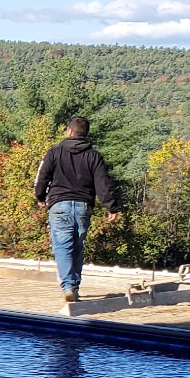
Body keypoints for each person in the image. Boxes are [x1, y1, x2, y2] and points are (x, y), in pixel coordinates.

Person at [32, 117, 118, 302]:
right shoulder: (94, 156)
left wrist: (40, 197)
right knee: (78, 247)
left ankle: (68, 286)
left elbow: (42, 177)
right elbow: (103, 183)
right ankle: (74, 287)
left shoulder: (54, 152)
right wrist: (111, 206)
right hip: (83, 206)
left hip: (59, 205)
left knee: (62, 246)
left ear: (69, 132)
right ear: (84, 134)